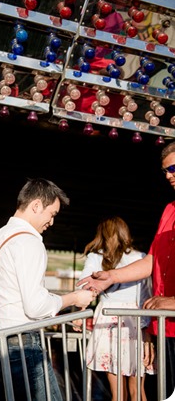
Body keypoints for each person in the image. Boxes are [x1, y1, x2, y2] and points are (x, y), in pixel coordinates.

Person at [0, 177, 97, 401]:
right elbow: (35, 306)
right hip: (19, 347)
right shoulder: (30, 242)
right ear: (37, 205)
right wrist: (75, 297)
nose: (51, 222)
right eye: (52, 214)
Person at [77, 141, 175, 399]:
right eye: (165, 170)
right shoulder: (169, 210)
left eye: (173, 168)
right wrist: (112, 276)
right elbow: (152, 260)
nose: (168, 175)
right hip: (166, 328)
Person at [73, 216, 155, 401]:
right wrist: (147, 330)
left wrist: (79, 312)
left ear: (101, 235)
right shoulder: (140, 257)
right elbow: (146, 296)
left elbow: (84, 287)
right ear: (125, 234)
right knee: (138, 392)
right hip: (135, 321)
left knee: (118, 394)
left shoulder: (96, 258)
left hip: (108, 323)